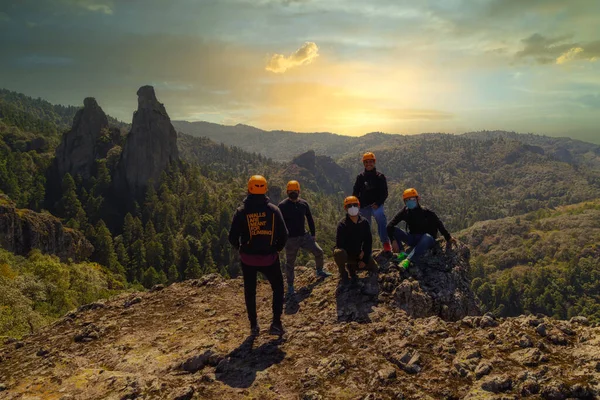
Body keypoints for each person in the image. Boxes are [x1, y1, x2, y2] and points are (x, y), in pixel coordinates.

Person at [229, 175, 288, 336]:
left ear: (249, 189)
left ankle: (254, 325)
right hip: (269, 258)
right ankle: (276, 323)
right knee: (278, 288)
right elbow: (284, 234)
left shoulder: (241, 211)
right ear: (265, 189)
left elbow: (232, 237)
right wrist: (276, 249)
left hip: (248, 259)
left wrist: (241, 249)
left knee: (250, 291)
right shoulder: (274, 210)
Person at [279, 180, 331, 296]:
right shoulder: (282, 206)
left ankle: (319, 271)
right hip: (290, 239)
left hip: (304, 236)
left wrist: (313, 234)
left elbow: (310, 218)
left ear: (299, 191)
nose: (293, 192)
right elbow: (278, 223)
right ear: (287, 192)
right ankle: (291, 286)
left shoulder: (304, 204)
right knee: (290, 263)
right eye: (291, 191)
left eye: (295, 190)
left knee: (319, 252)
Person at [386, 188, 455, 270]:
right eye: (407, 200)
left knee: (427, 237)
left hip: (427, 240)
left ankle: (408, 260)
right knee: (394, 230)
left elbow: (439, 224)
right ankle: (402, 253)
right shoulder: (405, 211)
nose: (409, 202)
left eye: (412, 199)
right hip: (413, 238)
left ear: (417, 199)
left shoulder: (426, 212)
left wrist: (448, 238)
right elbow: (389, 226)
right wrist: (392, 240)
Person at [334, 196, 378, 287]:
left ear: (359, 206)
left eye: (355, 205)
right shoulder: (342, 225)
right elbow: (340, 244)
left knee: (374, 268)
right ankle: (343, 273)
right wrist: (357, 252)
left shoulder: (364, 223)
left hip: (360, 255)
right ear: (345, 208)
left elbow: (368, 241)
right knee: (338, 252)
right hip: (349, 254)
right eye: (349, 206)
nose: (352, 207)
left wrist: (364, 258)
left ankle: (352, 267)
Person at [352, 152, 392, 253]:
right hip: (364, 206)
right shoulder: (360, 177)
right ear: (363, 163)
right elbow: (355, 192)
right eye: (366, 162)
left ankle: (385, 242)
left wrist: (378, 203)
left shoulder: (380, 176)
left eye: (370, 161)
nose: (368, 164)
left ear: (374, 162)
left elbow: (384, 193)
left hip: (376, 205)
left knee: (381, 220)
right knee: (365, 227)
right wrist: (357, 205)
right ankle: (366, 248)